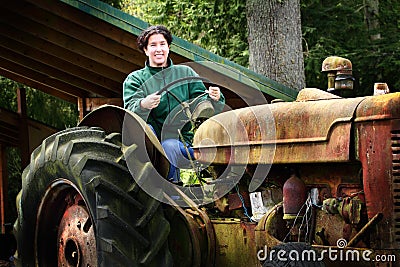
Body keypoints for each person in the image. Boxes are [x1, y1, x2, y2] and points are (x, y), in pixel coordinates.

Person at [123, 25, 225, 184]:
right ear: (145, 50)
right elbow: (129, 111)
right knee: (166, 144)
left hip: (183, 141)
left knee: (212, 146)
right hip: (150, 145)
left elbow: (201, 103)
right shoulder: (135, 79)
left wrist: (215, 98)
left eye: (162, 44)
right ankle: (171, 189)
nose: (159, 49)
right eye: (153, 45)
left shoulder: (185, 73)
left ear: (168, 47)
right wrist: (143, 104)